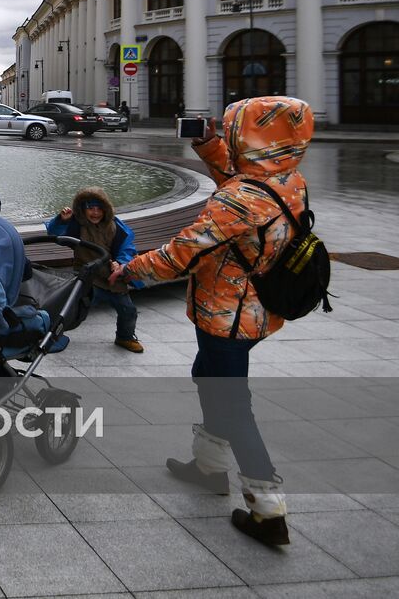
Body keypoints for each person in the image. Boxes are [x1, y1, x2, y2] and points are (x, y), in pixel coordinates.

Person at [111, 96, 314, 547]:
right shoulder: (286, 179)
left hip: (228, 314)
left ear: (251, 137)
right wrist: (209, 148)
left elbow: (181, 253)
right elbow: (243, 182)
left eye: (233, 132)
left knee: (232, 404)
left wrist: (127, 273)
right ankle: (208, 467)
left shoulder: (240, 201)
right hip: (256, 309)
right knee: (209, 378)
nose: (229, 138)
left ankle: (268, 510)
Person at [45, 188, 143, 352]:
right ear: (83, 209)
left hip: (112, 278)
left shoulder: (116, 227)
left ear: (106, 209)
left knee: (128, 310)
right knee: (70, 308)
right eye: (91, 208)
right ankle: (52, 336)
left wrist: (120, 263)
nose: (95, 213)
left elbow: (127, 248)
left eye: (99, 209)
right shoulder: (76, 224)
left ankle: (125, 336)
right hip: (86, 276)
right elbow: (55, 234)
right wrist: (61, 220)